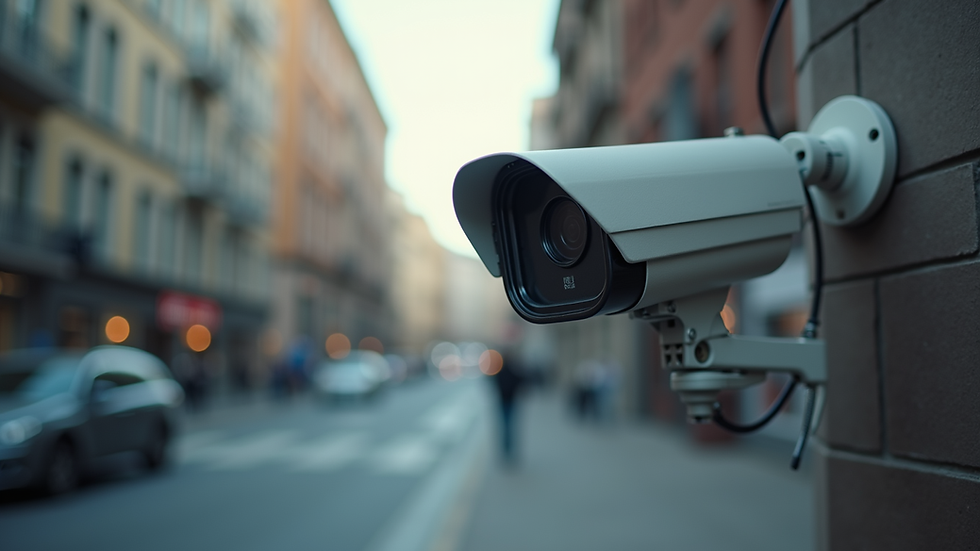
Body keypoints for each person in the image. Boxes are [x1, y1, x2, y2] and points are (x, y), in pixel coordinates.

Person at [491, 351, 525, 465]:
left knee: (505, 426)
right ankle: (509, 450)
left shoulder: (500, 372)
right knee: (510, 426)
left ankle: (506, 450)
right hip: (510, 401)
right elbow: (521, 380)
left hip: (503, 402)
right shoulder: (512, 371)